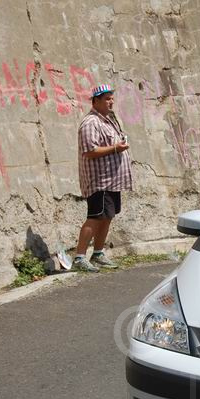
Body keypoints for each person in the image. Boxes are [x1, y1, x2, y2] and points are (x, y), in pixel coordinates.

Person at [72, 84, 133, 272]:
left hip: (112, 181)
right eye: (106, 98)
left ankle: (97, 253)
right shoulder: (91, 123)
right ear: (95, 101)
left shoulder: (108, 120)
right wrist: (115, 148)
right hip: (100, 181)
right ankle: (79, 257)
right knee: (95, 217)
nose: (111, 101)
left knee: (107, 217)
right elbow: (89, 151)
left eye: (111, 98)